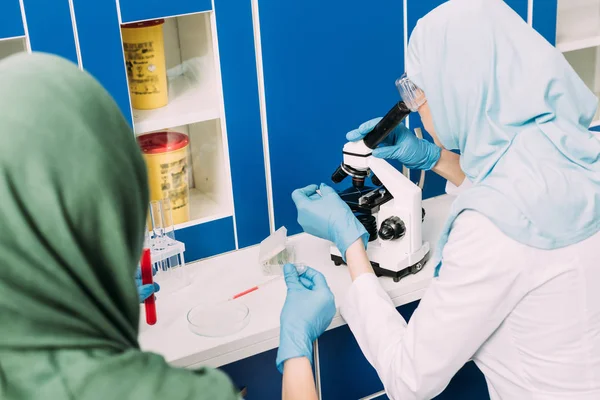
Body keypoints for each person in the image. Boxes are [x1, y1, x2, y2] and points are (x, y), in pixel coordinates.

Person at [283, 0, 600, 399]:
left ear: (461, 88)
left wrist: (350, 245)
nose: (417, 106)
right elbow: (523, 190)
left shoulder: (489, 232)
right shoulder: (585, 153)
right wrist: (436, 159)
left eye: (421, 89)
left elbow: (410, 380)